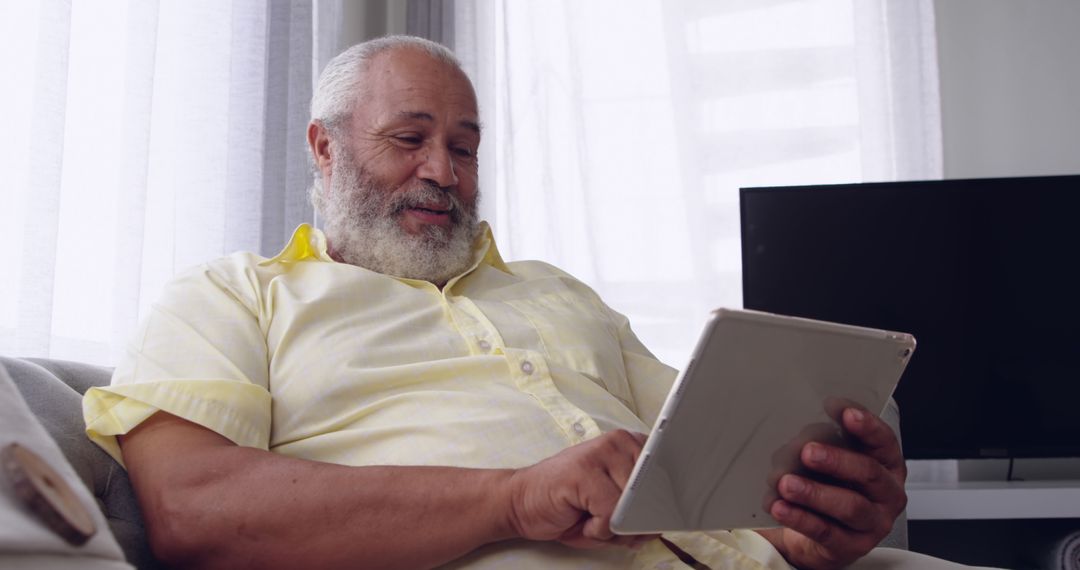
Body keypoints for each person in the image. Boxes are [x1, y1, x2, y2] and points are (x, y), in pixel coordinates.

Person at [82, 36, 958, 570]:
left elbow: (708, 464)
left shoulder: (556, 293)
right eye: (408, 139)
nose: (442, 172)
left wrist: (815, 520)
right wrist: (511, 499)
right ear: (324, 147)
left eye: (464, 147)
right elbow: (194, 513)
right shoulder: (232, 295)